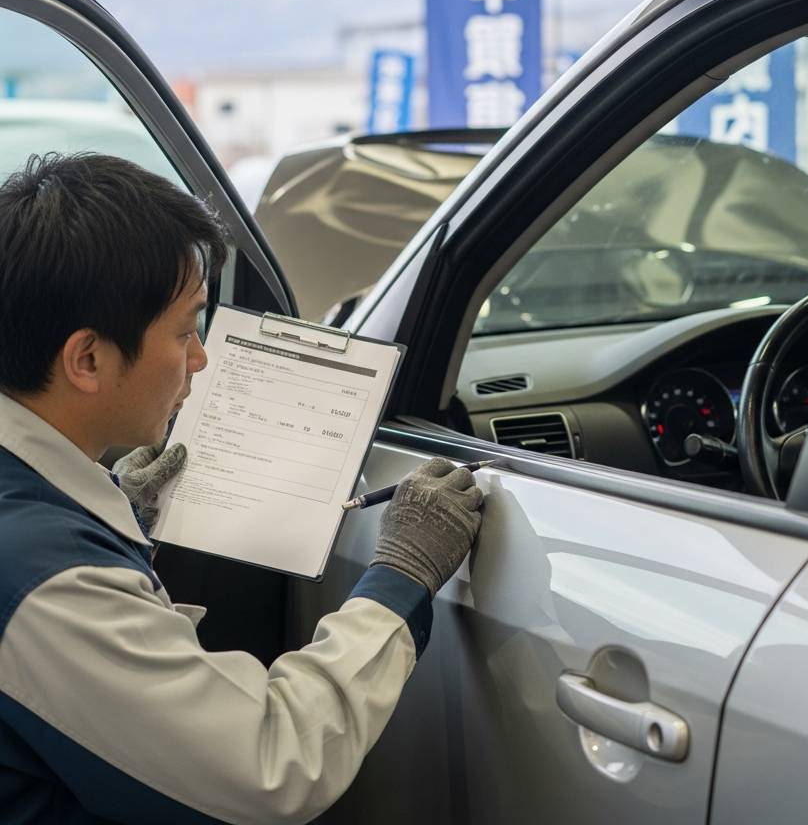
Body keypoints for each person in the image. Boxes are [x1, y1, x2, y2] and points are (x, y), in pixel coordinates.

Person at [0, 152, 484, 824]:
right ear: (87, 359)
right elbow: (267, 765)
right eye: (185, 329)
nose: (200, 358)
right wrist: (398, 583)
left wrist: (119, 513)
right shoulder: (43, 574)